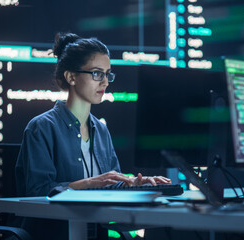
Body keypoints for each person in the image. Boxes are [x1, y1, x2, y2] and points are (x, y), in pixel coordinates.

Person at [14, 32, 171, 239]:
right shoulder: (41, 127)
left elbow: (110, 182)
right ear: (71, 77)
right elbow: (37, 192)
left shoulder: (101, 129)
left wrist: (133, 184)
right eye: (97, 73)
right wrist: (89, 183)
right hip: (56, 233)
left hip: (96, 232)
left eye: (108, 74)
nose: (105, 82)